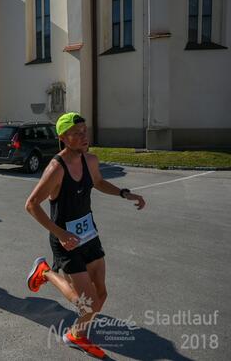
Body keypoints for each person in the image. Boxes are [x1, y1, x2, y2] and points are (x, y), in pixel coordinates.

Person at [24, 112, 146, 359]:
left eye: (85, 131)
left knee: (100, 293)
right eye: (76, 133)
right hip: (64, 240)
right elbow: (31, 204)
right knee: (87, 302)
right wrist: (60, 233)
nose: (83, 137)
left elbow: (98, 182)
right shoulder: (56, 169)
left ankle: (76, 334)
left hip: (89, 234)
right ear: (63, 137)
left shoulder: (91, 160)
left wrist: (124, 193)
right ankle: (46, 272)